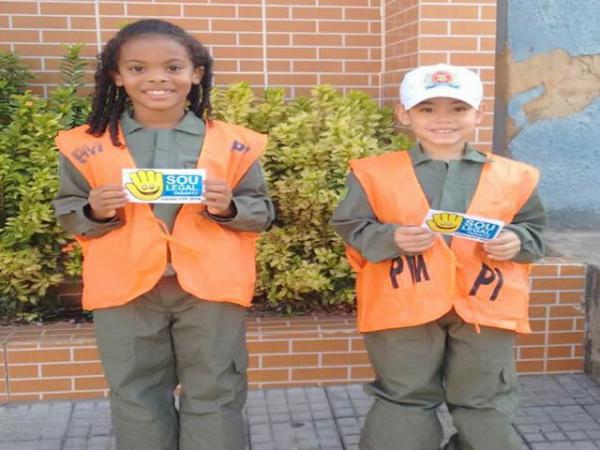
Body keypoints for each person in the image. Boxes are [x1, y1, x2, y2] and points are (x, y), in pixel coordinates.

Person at [53, 19, 274, 450]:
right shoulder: (84, 145)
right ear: (117, 76)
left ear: (196, 74)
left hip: (210, 290)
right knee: (136, 394)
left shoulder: (235, 145)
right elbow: (68, 212)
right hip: (125, 289)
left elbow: (262, 212)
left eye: (173, 67)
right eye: (137, 68)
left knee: (215, 391)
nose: (157, 77)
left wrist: (227, 207)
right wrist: (95, 211)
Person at [331, 64, 545, 450]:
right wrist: (391, 237)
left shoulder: (516, 175)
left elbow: (533, 231)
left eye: (458, 108)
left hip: (485, 307)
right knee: (403, 399)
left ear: (478, 113)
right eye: (427, 109)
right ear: (404, 113)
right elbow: (351, 225)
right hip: (402, 304)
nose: (443, 119)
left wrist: (515, 240)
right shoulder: (372, 173)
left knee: (484, 401)